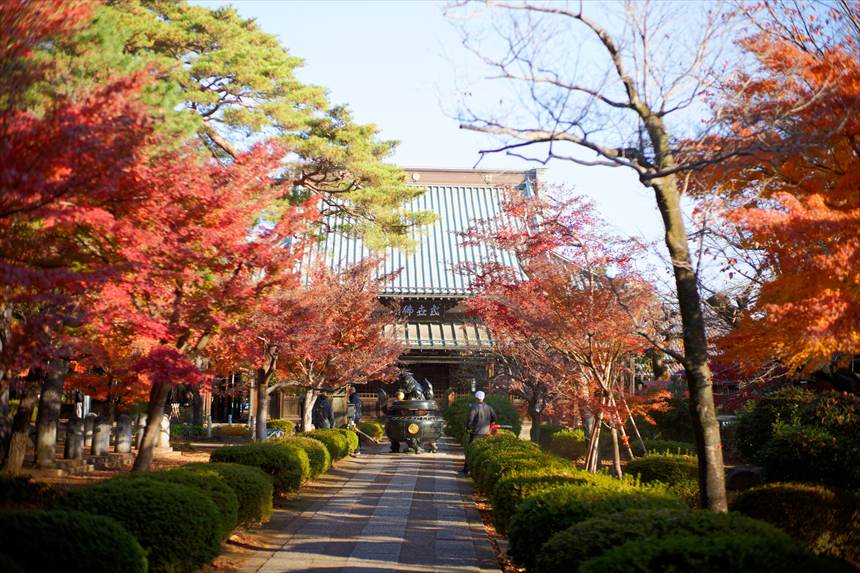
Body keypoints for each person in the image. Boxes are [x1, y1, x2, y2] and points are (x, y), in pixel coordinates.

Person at [462, 390, 496, 474]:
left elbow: (470, 419)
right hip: (485, 433)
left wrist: (468, 427)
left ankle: (467, 469)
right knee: (482, 451)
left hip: (475, 433)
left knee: (470, 450)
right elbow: (494, 417)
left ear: (476, 398)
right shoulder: (489, 407)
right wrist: (488, 423)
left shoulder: (474, 407)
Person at [348, 387, 362, 455]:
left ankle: (356, 450)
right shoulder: (358, 397)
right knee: (357, 433)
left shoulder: (353, 398)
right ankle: (358, 448)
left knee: (354, 433)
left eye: (348, 391)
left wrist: (351, 420)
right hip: (358, 417)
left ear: (351, 391)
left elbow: (351, 409)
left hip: (354, 418)